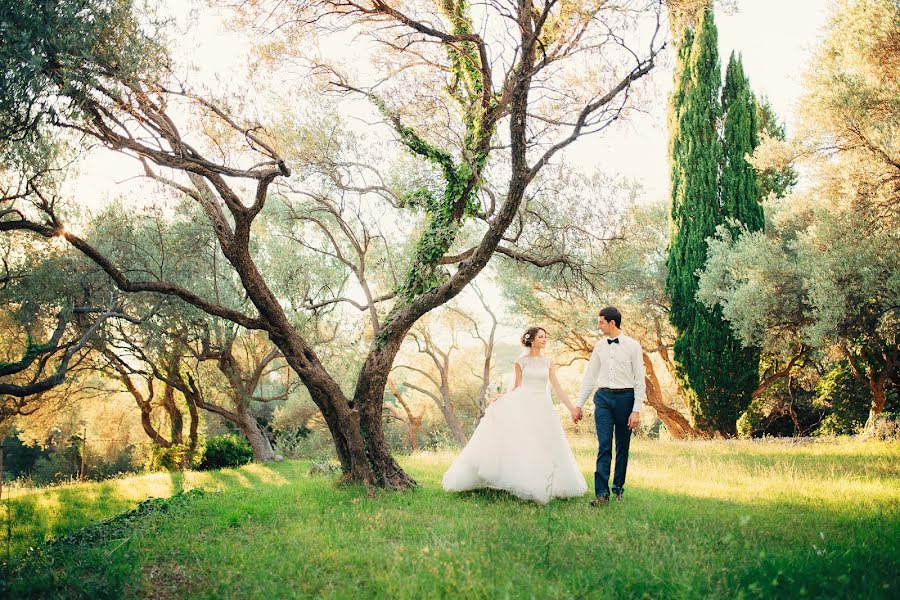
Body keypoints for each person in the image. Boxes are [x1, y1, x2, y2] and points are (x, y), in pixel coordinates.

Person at [442, 326, 587, 504]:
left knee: (547, 443)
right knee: (528, 444)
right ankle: (527, 481)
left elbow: (557, 388)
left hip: (544, 408)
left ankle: (553, 483)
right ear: (531, 339)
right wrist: (499, 399)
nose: (545, 339)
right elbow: (517, 387)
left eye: (545, 336)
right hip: (525, 405)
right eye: (541, 336)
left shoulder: (549, 362)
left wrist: (572, 408)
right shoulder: (520, 361)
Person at [573, 306, 646, 506]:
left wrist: (636, 409)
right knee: (604, 446)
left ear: (612, 323)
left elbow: (639, 378)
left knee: (622, 446)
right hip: (603, 398)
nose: (599, 326)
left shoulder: (633, 345)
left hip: (626, 398)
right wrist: (579, 405)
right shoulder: (599, 346)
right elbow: (590, 377)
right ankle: (601, 494)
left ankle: (618, 488)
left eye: (601, 322)